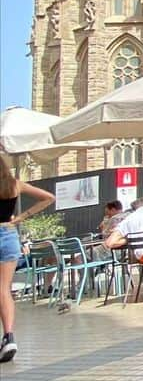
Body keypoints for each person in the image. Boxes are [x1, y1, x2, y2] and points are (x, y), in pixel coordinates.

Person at [0, 153, 56, 363]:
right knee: (4, 289)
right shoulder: (14, 184)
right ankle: (9, 336)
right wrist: (21, 218)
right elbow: (49, 197)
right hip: (8, 234)